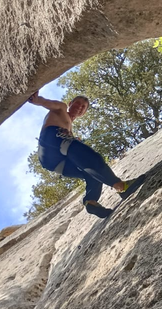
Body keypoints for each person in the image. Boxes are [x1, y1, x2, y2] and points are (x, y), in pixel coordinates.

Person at [28, 90, 141, 218]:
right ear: (70, 103)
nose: (79, 107)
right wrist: (37, 100)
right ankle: (121, 186)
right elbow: (48, 103)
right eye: (77, 103)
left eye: (83, 107)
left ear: (83, 113)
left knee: (91, 172)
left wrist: (73, 139)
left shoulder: (69, 128)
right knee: (92, 158)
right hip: (51, 141)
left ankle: (91, 202)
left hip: (55, 163)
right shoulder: (61, 108)